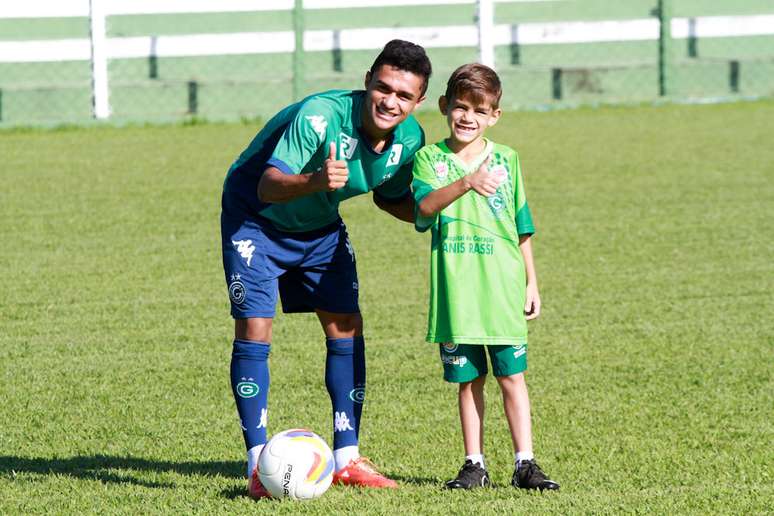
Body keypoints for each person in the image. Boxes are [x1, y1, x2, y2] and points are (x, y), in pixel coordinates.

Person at [220, 39, 431, 499]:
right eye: (383, 88)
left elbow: (391, 196)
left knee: (346, 327)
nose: (390, 101)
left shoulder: (410, 139)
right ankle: (258, 464)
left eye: (403, 95)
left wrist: (436, 219)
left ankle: (347, 458)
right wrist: (317, 180)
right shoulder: (319, 115)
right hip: (255, 217)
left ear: (419, 102)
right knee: (256, 328)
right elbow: (269, 185)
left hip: (318, 226)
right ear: (368, 82)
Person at [411, 63, 559, 491]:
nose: (467, 117)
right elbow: (422, 210)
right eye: (460, 107)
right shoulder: (428, 160)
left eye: (479, 110)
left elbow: (521, 225)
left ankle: (525, 463)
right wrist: (467, 182)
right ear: (444, 106)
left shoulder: (508, 159)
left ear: (494, 115)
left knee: (512, 377)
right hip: (457, 291)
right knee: (468, 380)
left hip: (502, 288)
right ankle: (474, 464)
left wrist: (532, 282)